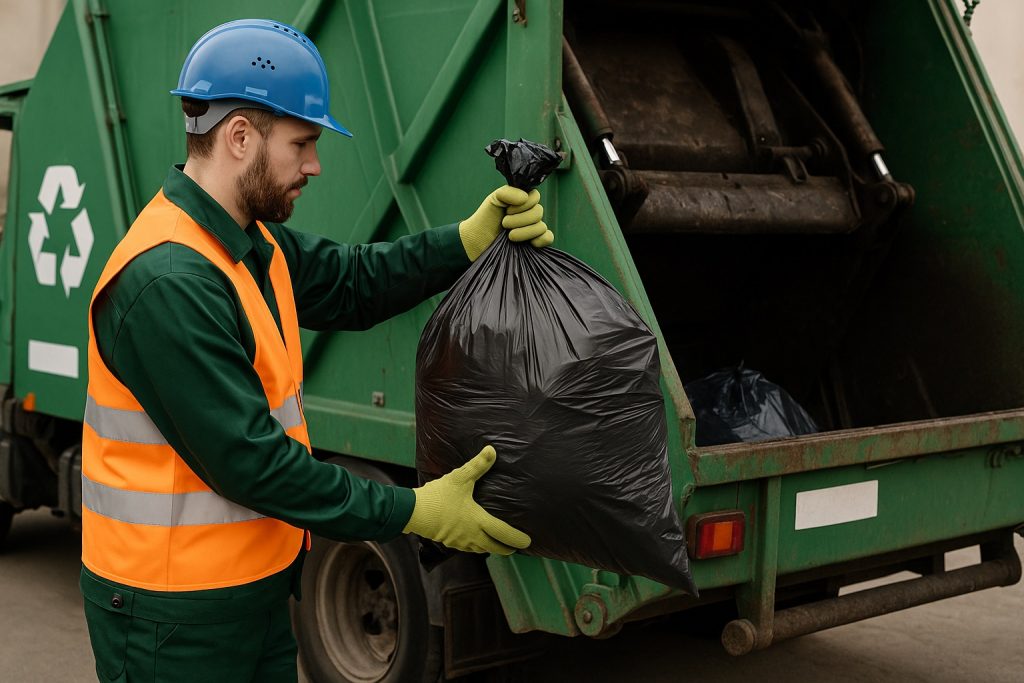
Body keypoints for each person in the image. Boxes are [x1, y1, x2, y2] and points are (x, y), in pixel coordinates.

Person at [79, 18, 551, 682]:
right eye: (302, 143)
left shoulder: (248, 242)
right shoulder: (168, 282)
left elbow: (352, 281)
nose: (314, 165)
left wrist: (466, 241)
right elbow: (255, 465)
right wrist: (413, 509)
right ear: (240, 136)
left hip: (257, 593)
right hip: (173, 622)